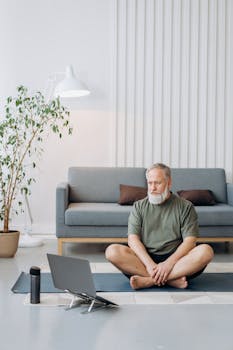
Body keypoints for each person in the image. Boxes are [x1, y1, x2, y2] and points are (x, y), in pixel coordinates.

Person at [105, 163, 214, 290]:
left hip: (177, 261)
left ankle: (148, 281)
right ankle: (171, 280)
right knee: (112, 251)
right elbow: (133, 239)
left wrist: (168, 264)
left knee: (206, 251)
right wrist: (150, 264)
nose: (152, 188)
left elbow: (190, 242)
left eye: (157, 183)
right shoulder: (139, 206)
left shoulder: (185, 206)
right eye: (150, 183)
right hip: (145, 260)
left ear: (169, 182)